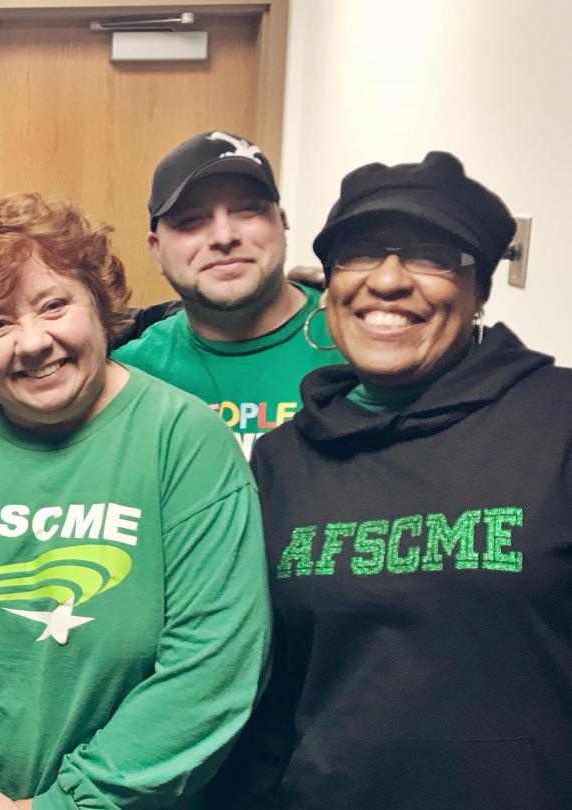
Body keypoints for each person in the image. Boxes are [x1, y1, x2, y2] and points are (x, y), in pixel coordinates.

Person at [0, 192, 270, 809]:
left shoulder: (183, 442)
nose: (32, 341)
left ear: (100, 306)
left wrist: (67, 805)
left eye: (54, 304)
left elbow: (211, 671)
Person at [208, 152, 572, 809]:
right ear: (329, 282)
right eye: (357, 253)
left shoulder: (557, 422)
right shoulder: (281, 460)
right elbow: (264, 690)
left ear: (479, 289)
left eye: (430, 254)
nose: (387, 280)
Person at [112, 131, 343, 458]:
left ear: (282, 221)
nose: (224, 236)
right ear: (156, 249)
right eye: (191, 220)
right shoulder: (127, 374)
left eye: (248, 210)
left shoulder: (354, 340)